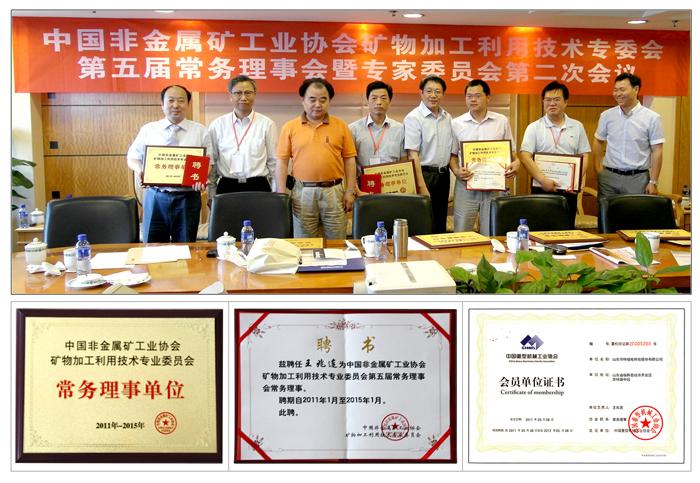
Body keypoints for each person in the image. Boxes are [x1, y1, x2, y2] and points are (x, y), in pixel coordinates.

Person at [127, 84, 212, 243]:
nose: (176, 105)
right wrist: (140, 170)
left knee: (186, 246)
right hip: (156, 196)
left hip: (188, 197)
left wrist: (201, 178)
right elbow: (132, 157)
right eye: (171, 100)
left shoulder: (200, 131)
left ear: (188, 104)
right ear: (162, 104)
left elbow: (209, 162)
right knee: (153, 246)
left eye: (181, 100)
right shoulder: (149, 129)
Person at [275, 78, 357, 239]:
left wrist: (350, 191)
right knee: (305, 243)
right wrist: (281, 194)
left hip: (335, 192)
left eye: (323, 100)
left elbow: (350, 160)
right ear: (303, 100)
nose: (317, 104)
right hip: (302, 192)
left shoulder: (341, 126)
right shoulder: (290, 127)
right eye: (312, 99)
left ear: (329, 101)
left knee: (337, 242)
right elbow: (282, 162)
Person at [450, 79, 519, 235]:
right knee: (462, 232)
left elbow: (513, 154)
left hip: (494, 186)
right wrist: (456, 171)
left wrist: (517, 164)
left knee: (491, 232)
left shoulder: (501, 121)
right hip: (466, 185)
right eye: (469, 96)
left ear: (488, 97)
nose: (473, 100)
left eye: (477, 96)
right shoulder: (456, 123)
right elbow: (452, 156)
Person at [519, 81, 591, 226]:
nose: (552, 103)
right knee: (540, 228)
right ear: (543, 102)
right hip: (541, 187)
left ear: (566, 102)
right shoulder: (534, 127)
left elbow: (585, 155)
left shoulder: (577, 127)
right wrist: (543, 180)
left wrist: (575, 181)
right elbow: (525, 156)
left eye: (557, 99)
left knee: (566, 228)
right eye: (548, 99)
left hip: (568, 190)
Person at [207, 75, 278, 205]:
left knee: (258, 219)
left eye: (248, 93)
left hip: (258, 186)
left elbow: (273, 162)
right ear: (230, 96)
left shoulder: (267, 124)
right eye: (238, 93)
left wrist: (276, 194)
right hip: (227, 186)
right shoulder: (217, 125)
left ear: (255, 95)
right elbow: (213, 161)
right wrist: (211, 194)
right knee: (228, 219)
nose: (243, 97)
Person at [593, 73, 664, 198]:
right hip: (609, 177)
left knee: (635, 210)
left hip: (637, 178)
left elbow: (657, 150)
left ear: (636, 89)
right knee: (606, 210)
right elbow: (598, 141)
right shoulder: (607, 115)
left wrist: (653, 181)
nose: (618, 94)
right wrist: (598, 169)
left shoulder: (652, 118)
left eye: (622, 89)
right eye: (615, 90)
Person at [403, 75, 452, 232]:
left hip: (443, 175)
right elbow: (412, 155)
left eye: (437, 91)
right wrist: (421, 185)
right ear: (421, 93)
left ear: (443, 94)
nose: (433, 95)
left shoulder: (447, 117)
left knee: (440, 221)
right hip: (424, 175)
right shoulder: (413, 118)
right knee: (423, 222)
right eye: (429, 91)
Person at [349, 81, 406, 184]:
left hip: (392, 184)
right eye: (374, 98)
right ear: (367, 101)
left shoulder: (400, 129)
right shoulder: (353, 129)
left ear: (390, 101)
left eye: (383, 98)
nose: (379, 102)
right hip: (364, 185)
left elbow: (404, 160)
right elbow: (350, 162)